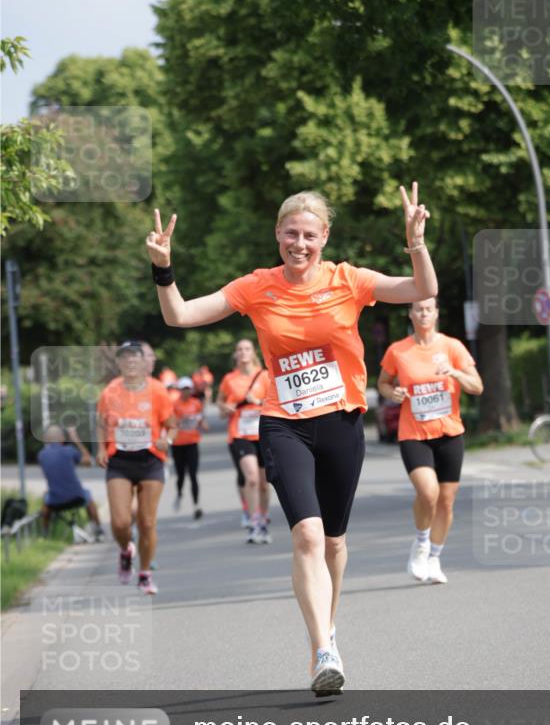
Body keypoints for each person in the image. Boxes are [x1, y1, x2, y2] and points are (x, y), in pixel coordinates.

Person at [146, 182, 437, 694]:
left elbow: (421, 289)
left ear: (324, 238)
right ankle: (322, 650)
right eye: (290, 234)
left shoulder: (349, 280)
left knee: (334, 541)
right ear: (277, 233)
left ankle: (328, 628)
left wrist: (416, 242)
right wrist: (163, 268)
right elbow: (180, 315)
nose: (299, 244)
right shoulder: (257, 286)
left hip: (341, 421)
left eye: (309, 235)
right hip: (285, 422)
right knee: (307, 535)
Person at [378, 298, 483, 584]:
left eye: (428, 309)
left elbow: (477, 386)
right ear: (410, 314)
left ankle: (435, 557)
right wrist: (392, 393)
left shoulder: (452, 347)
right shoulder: (398, 350)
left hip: (450, 432)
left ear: (436, 313)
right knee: (428, 492)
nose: (424, 314)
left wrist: (456, 372)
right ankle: (422, 544)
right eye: (418, 309)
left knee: (446, 502)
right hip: (414, 434)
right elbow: (383, 383)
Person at [96, 340, 177, 594]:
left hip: (150, 461)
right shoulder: (110, 391)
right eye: (125, 357)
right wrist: (100, 448)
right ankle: (125, 550)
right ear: (119, 362)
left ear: (144, 362)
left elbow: (172, 424)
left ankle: (144, 574)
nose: (130, 360)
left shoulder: (157, 390)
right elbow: (101, 422)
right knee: (120, 522)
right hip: (119, 461)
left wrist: (167, 441)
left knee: (147, 522)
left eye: (135, 356)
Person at [217, 338, 271, 544]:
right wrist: (225, 408)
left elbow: (276, 400)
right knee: (252, 478)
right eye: (239, 349)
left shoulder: (265, 376)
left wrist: (257, 402)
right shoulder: (229, 379)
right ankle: (253, 521)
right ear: (235, 354)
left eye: (247, 348)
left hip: (263, 433)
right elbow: (220, 401)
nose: (243, 352)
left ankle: (263, 518)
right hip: (240, 434)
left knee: (264, 484)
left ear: (253, 352)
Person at [37, 425, 103, 539]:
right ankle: (98, 529)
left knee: (45, 499)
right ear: (62, 439)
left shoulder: (41, 455)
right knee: (89, 497)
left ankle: (45, 533)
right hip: (77, 497)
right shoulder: (69, 450)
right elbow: (88, 462)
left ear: (46, 439)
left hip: (55, 501)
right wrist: (76, 439)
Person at [172, 375, 209, 519]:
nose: (186, 391)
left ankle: (196, 505)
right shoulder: (174, 405)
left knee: (193, 475)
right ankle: (179, 493)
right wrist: (178, 422)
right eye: (183, 389)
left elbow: (200, 419)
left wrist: (203, 425)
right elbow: (170, 423)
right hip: (178, 444)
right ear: (179, 390)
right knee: (181, 475)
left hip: (192, 443)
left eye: (188, 389)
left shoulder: (196, 403)